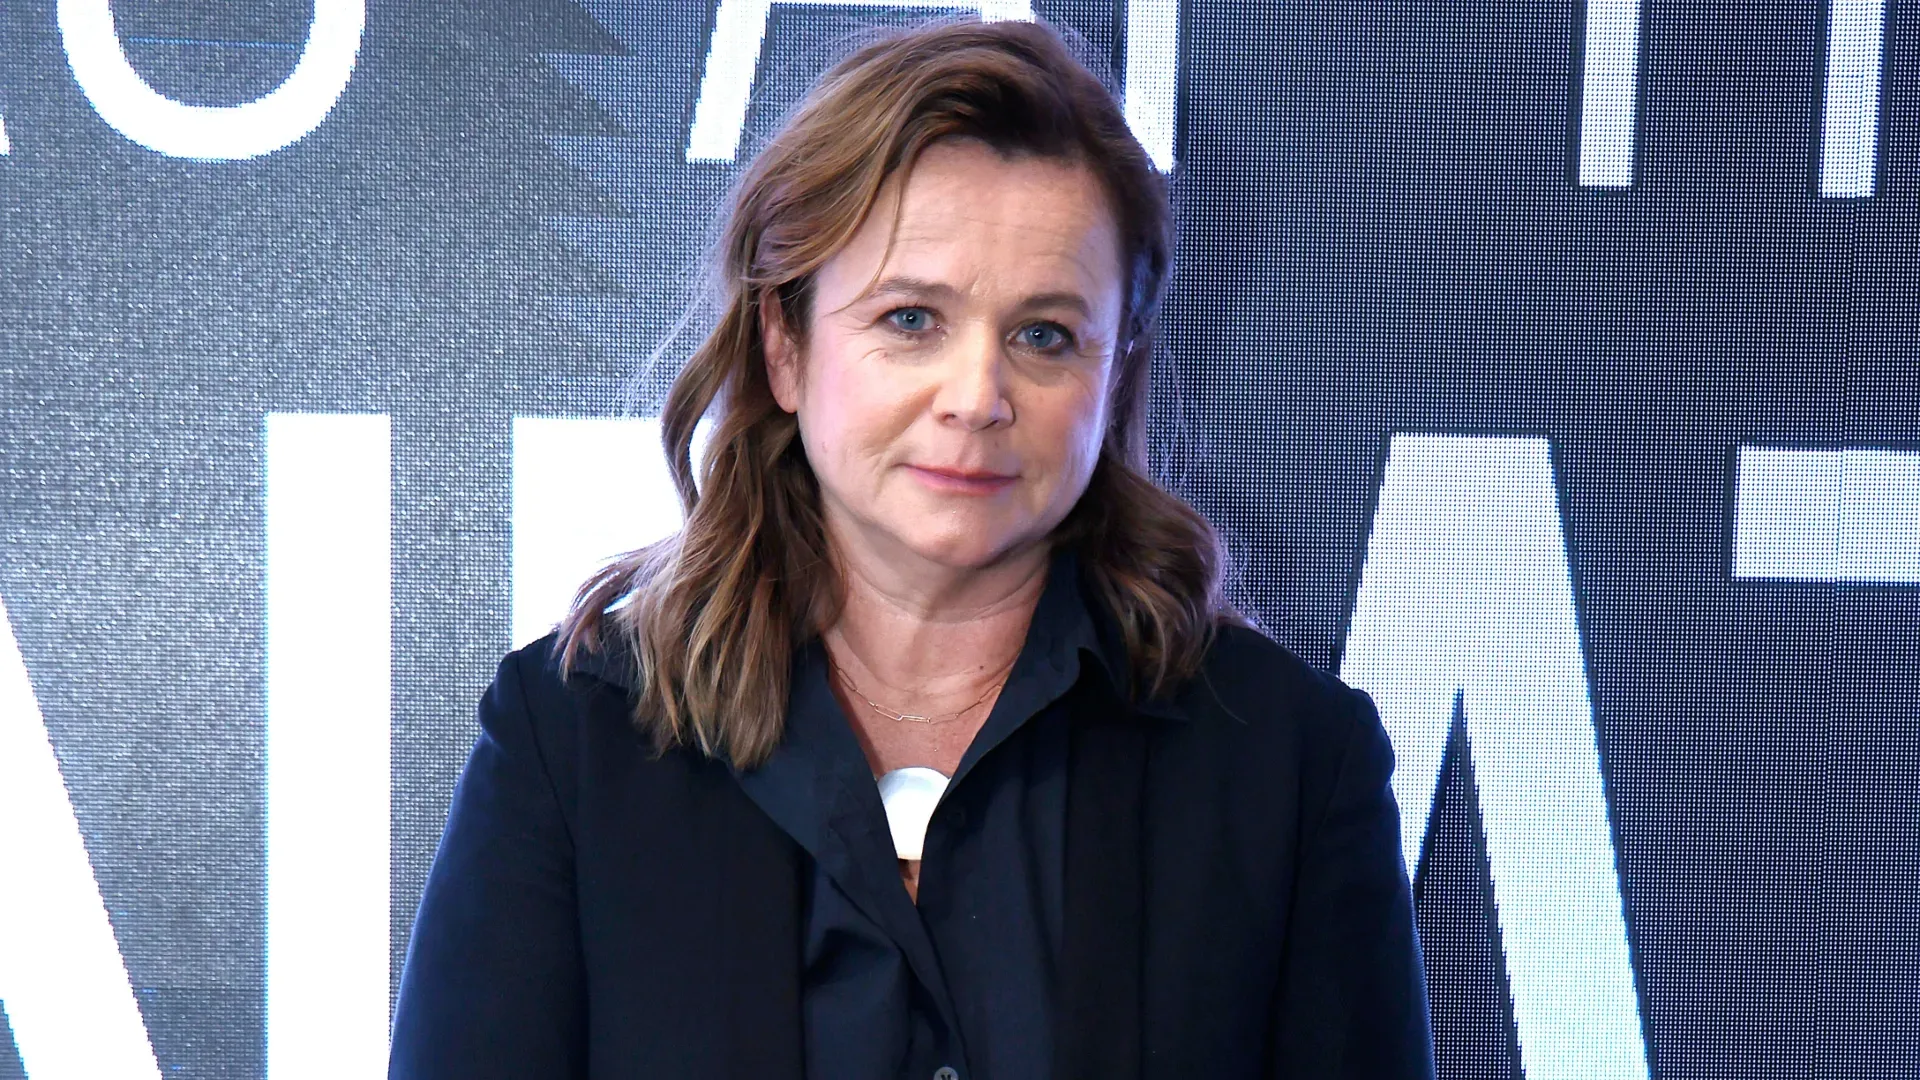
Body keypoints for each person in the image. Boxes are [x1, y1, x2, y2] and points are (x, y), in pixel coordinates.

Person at [389, 17, 1433, 1080]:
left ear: (1114, 376)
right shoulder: (575, 743)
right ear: (785, 347)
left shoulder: (1289, 764)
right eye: (911, 319)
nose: (977, 398)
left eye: (1044, 335)